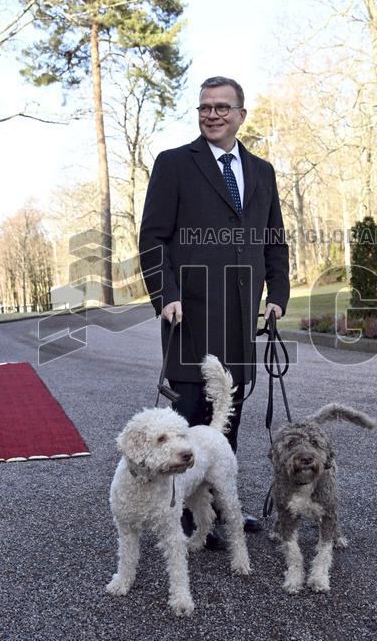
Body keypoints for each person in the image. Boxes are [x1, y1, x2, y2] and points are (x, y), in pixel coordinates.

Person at [138, 76, 290, 546]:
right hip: (191, 314)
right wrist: (167, 295)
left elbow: (274, 238)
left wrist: (278, 294)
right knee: (187, 416)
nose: (212, 114)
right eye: (205, 107)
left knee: (228, 418)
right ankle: (179, 514)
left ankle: (223, 510)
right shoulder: (174, 164)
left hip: (241, 317)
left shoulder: (262, 171)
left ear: (241, 115)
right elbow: (152, 238)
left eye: (223, 107)